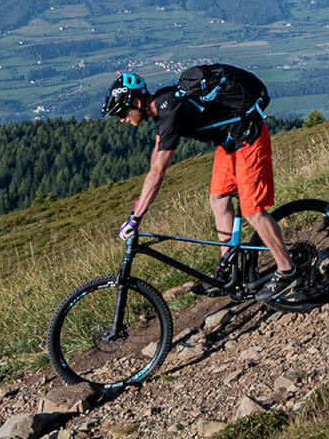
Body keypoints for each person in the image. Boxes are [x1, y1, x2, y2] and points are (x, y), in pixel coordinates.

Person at [103, 66, 297, 300]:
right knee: (218, 199)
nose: (122, 119)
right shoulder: (163, 107)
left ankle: (287, 270)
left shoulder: (169, 109)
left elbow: (159, 172)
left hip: (248, 138)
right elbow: (155, 159)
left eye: (122, 113)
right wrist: (137, 207)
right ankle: (228, 270)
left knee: (253, 212)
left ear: (136, 101)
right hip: (229, 144)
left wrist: (136, 219)